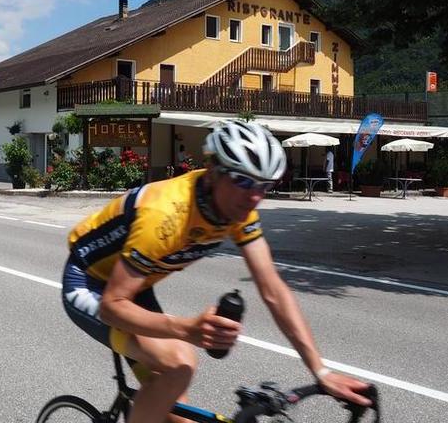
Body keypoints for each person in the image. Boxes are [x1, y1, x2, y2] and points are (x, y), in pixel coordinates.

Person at [62, 120, 370, 423]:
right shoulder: (166, 215)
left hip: (135, 290)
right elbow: (112, 308)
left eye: (265, 185)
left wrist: (321, 371)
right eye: (243, 181)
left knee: (175, 411)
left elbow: (272, 289)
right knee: (180, 364)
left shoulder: (238, 210)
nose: (254, 196)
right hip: (89, 285)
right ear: (213, 171)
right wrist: (186, 330)